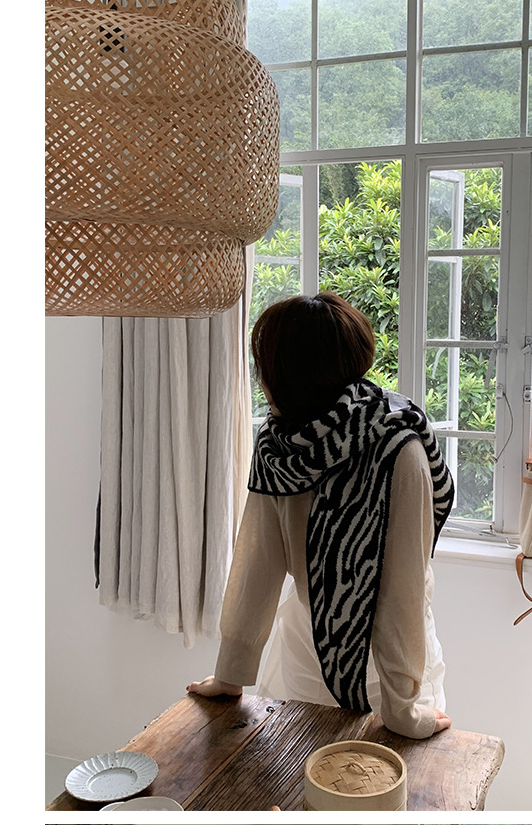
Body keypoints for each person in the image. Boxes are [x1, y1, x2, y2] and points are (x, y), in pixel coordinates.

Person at [188, 292, 454, 738]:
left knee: (385, 780)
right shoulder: (276, 445)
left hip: (387, 665)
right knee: (297, 768)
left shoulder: (396, 448)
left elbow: (399, 588)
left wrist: (402, 708)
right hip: (306, 643)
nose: (260, 377)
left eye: (264, 365)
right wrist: (230, 673)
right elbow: (258, 560)